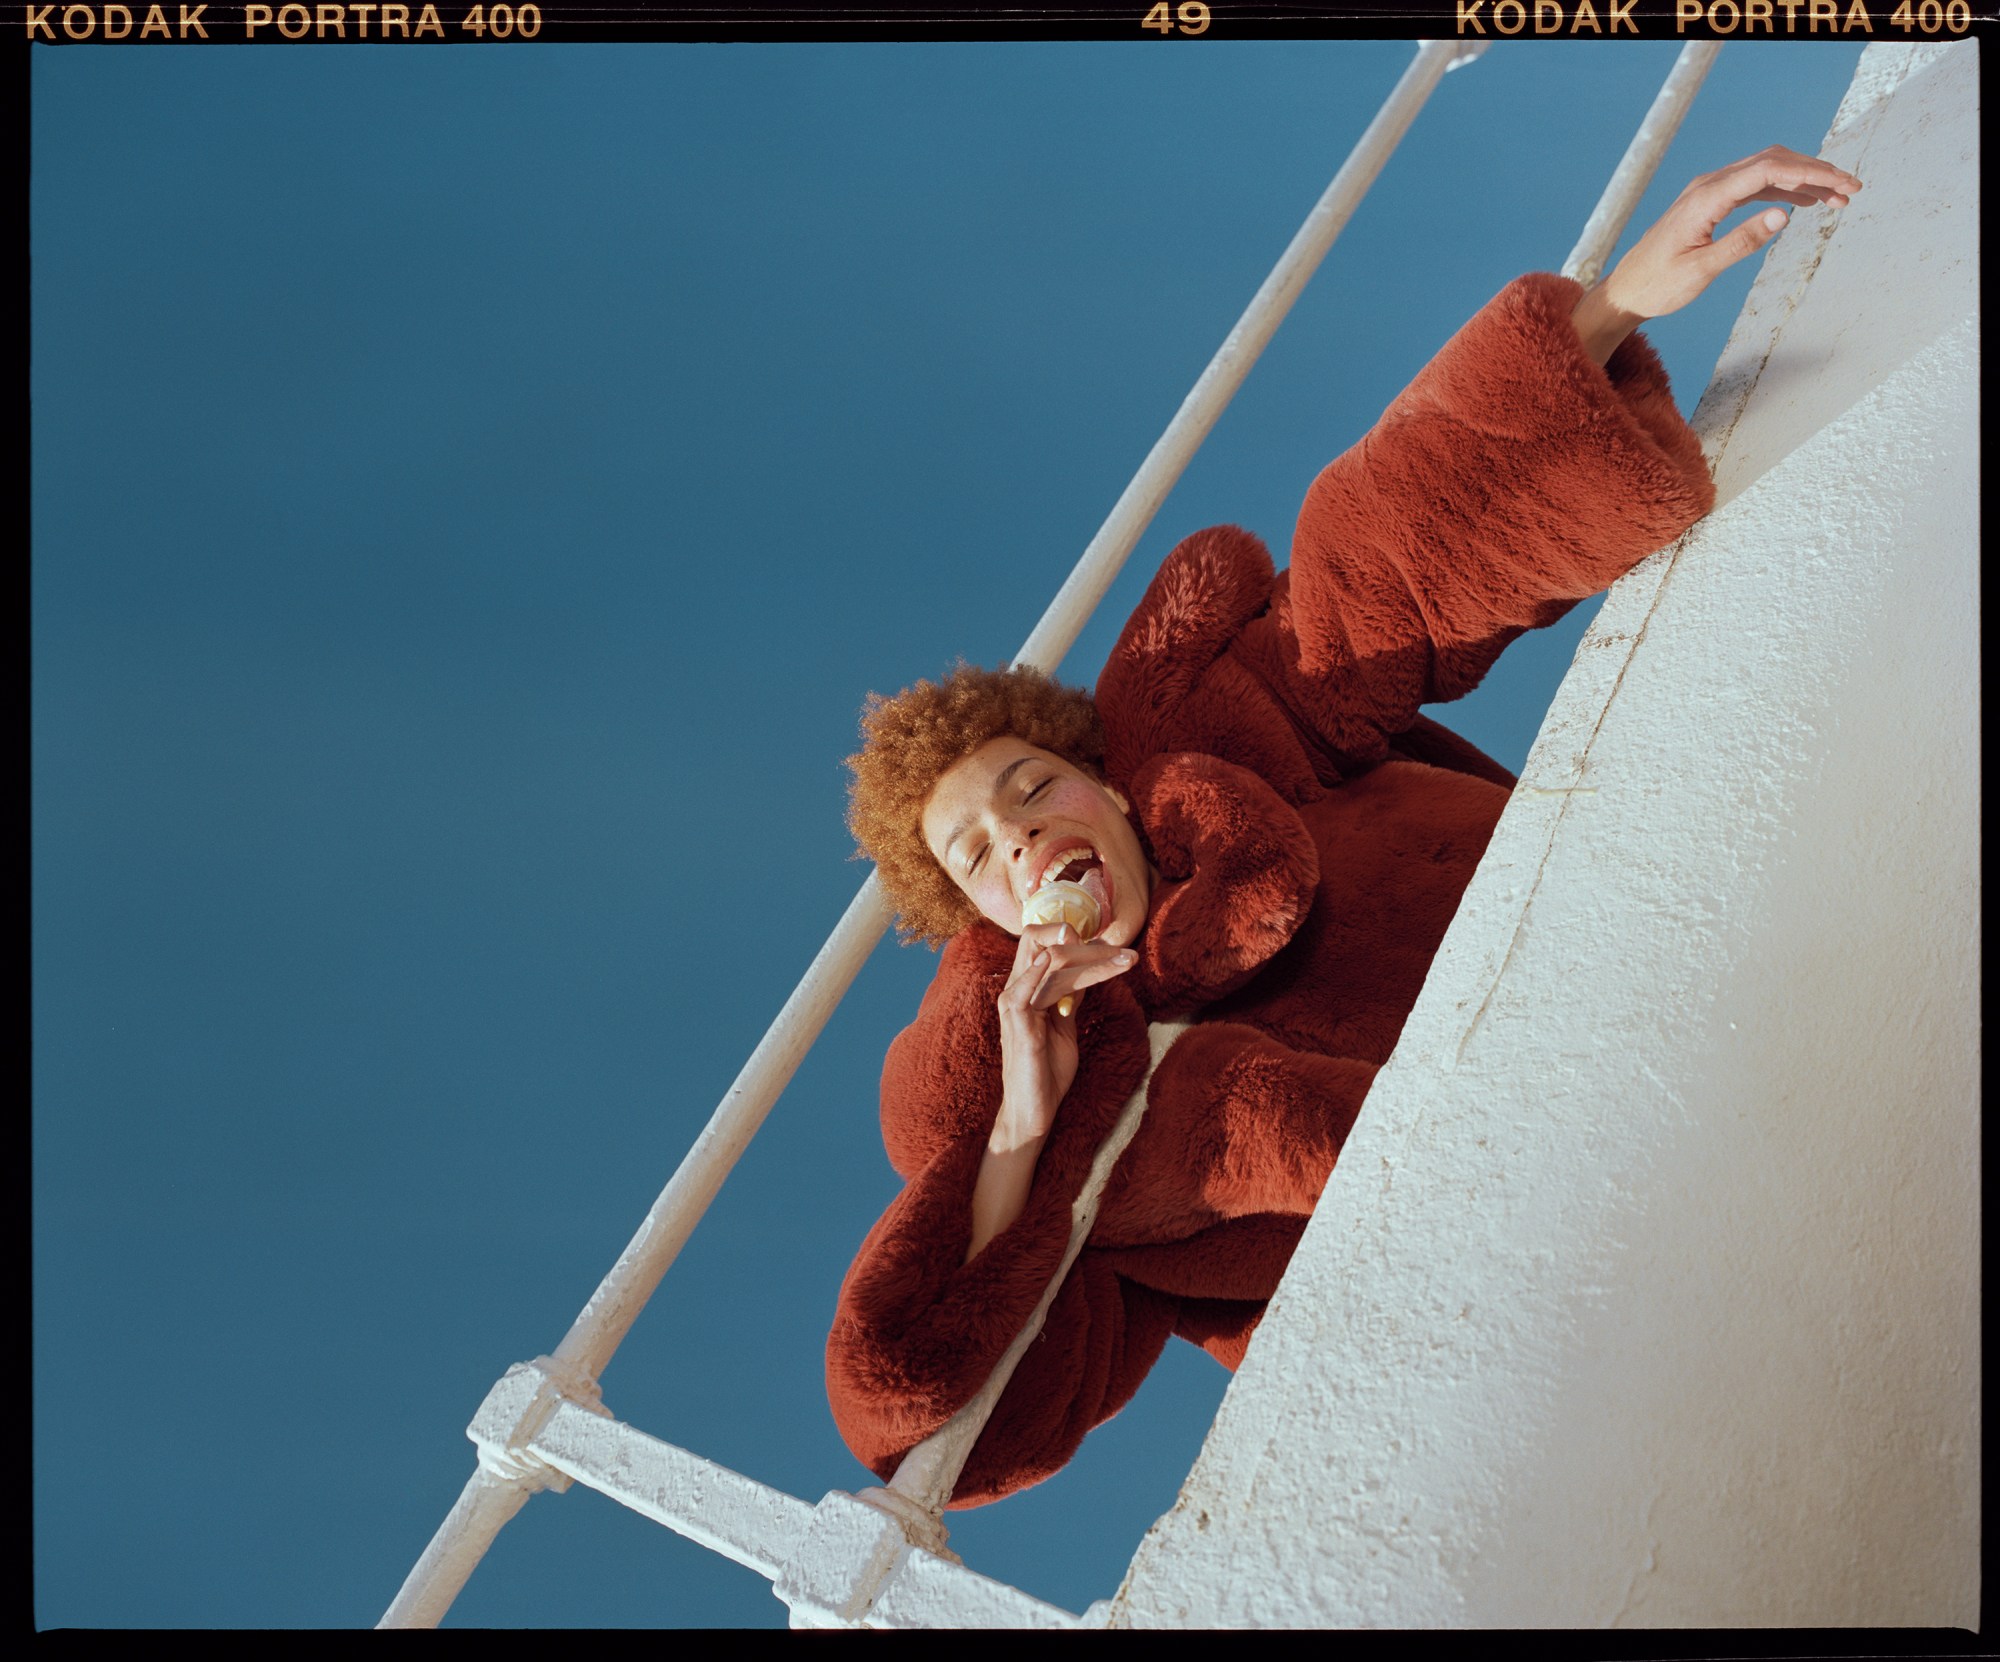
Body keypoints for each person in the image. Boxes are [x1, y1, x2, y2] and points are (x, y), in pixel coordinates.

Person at [826, 147, 1863, 1508]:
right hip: (1601, 1331)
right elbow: (940, 1410)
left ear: (1101, 782)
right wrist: (1028, 1127)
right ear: (986, 913)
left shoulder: (1232, 733)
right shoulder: (1022, 1115)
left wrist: (1605, 310)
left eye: (1032, 787)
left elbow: (1386, 552)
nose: (1021, 837)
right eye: (977, 852)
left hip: (1732, 1006)